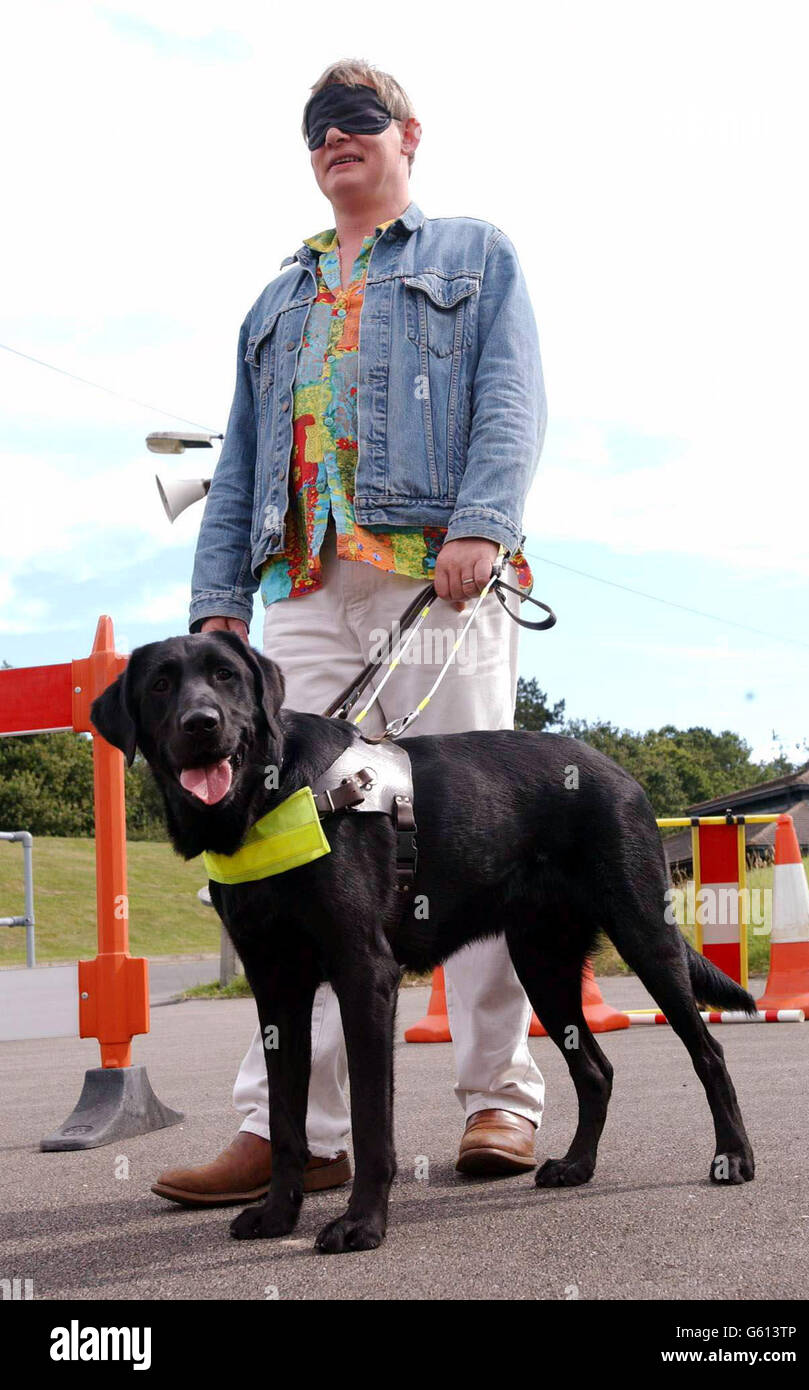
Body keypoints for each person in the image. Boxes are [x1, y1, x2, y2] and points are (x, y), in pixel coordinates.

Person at [153, 58, 548, 1209]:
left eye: (358, 120)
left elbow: (512, 398)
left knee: (478, 838)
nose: (336, 138)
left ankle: (498, 1101)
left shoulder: (474, 256)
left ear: (407, 136)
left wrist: (482, 522)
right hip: (308, 594)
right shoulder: (275, 301)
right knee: (289, 852)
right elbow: (235, 467)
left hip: (440, 577)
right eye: (318, 127)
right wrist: (216, 602)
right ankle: (295, 1133)